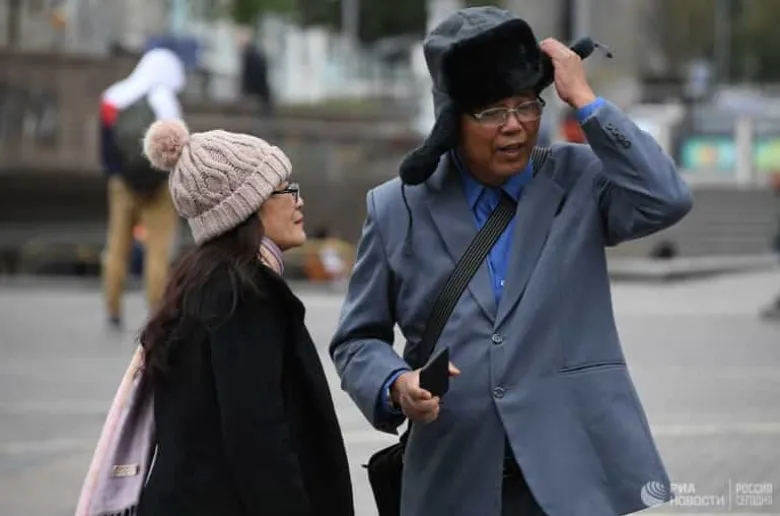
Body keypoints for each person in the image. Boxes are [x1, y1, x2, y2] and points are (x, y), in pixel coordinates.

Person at [330, 7, 692, 516]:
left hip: (570, 481)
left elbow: (666, 198)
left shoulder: (578, 180)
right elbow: (356, 340)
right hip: (454, 481)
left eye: (527, 106)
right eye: (492, 112)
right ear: (452, 120)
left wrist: (586, 101)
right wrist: (396, 384)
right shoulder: (397, 208)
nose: (515, 126)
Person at [134, 120, 354, 516]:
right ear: (247, 206)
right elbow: (258, 437)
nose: (299, 201)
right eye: (284, 189)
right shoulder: (245, 295)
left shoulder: (199, 284)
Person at [100, 47, 185, 329]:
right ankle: (156, 310)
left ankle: (113, 308)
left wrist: (119, 175)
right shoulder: (165, 102)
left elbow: (106, 148)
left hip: (121, 185)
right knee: (158, 251)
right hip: (158, 188)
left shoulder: (113, 97)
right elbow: (177, 149)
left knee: (117, 246)